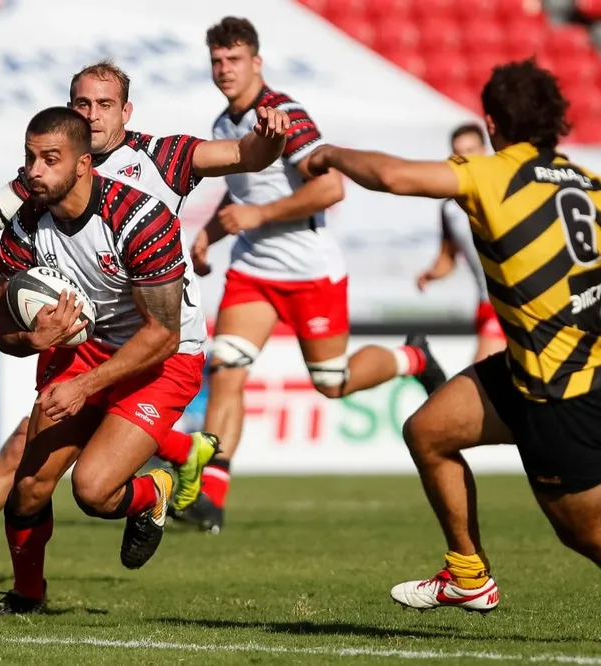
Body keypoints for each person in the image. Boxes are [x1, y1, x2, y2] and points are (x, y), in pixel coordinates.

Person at [0, 59, 290, 580]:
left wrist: (269, 139)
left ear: (125, 111)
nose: (91, 114)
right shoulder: (42, 179)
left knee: (88, 483)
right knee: (29, 472)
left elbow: (245, 154)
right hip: (85, 338)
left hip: (162, 337)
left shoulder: (161, 159)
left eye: (104, 104)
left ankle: (164, 469)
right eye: (81, 104)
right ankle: (14, 585)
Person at [306, 58, 601, 614]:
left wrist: (331, 153)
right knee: (429, 430)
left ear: (491, 122)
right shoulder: (588, 184)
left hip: (561, 390)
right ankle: (469, 575)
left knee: (585, 537)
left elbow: (393, 177)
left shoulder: (493, 174)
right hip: (528, 368)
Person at [174, 17, 447, 534]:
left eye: (234, 60)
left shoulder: (286, 115)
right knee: (226, 368)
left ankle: (412, 356)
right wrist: (211, 234)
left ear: (256, 62)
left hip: (309, 270)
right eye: (217, 61)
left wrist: (259, 217)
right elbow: (242, 195)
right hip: (253, 269)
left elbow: (330, 190)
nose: (224, 70)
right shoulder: (222, 124)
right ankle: (209, 499)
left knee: (330, 382)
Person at [0, 106, 238, 614]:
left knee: (94, 491)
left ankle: (155, 491)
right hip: (87, 349)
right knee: (29, 486)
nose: (34, 170)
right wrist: (36, 340)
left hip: (163, 357)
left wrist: (83, 386)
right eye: (29, 158)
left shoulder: (141, 219)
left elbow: (162, 334)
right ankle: (27, 595)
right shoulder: (25, 228)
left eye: (49, 159)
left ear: (83, 164)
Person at [416, 124, 507, 363]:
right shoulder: (450, 207)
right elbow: (448, 257)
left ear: (485, 150)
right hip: (486, 302)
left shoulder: (508, 193)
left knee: (482, 377)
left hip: (514, 301)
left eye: (471, 149)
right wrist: (431, 275)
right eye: (459, 153)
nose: (466, 158)